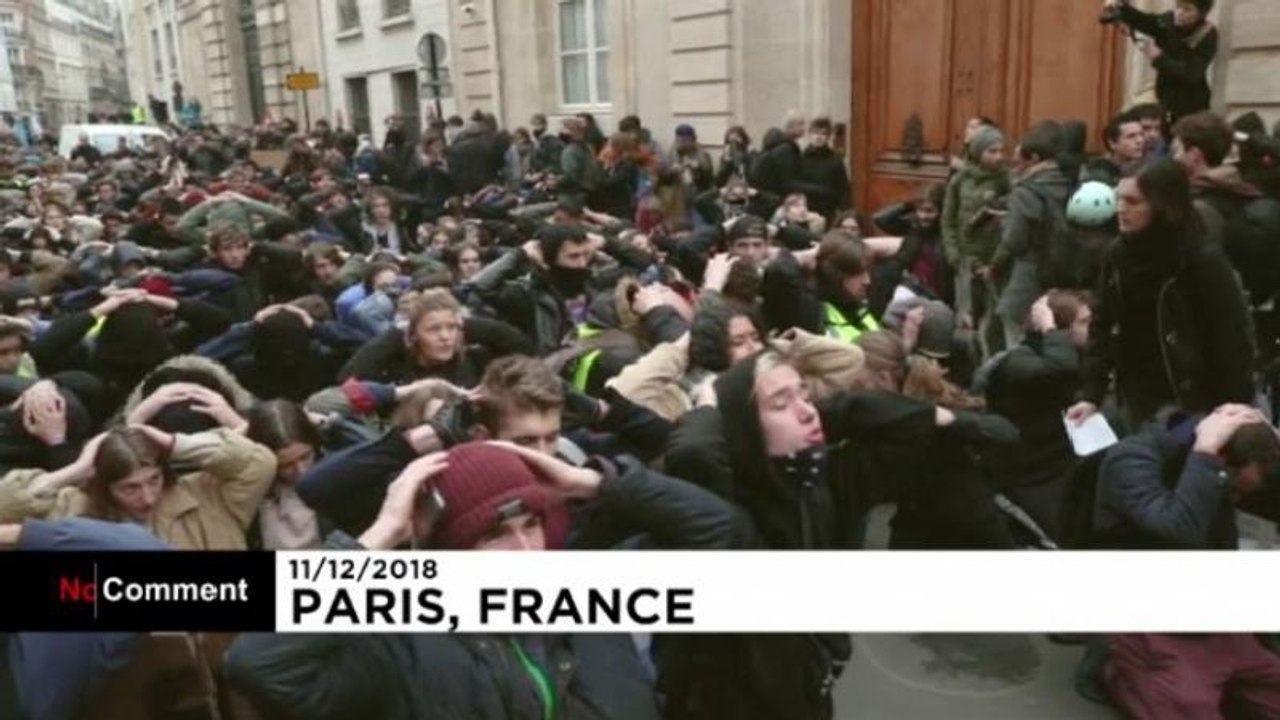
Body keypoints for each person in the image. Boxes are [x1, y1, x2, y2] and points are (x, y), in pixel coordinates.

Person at [225, 440, 736, 720]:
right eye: (495, 536)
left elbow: (726, 539)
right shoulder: (399, 645)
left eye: (531, 524)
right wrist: (377, 539)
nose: (525, 553)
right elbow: (260, 664)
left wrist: (598, 482)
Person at [1070, 159, 1254, 432]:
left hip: (1191, 398)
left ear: (1163, 205)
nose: (1121, 209)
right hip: (1134, 392)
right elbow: (1103, 324)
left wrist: (1231, 408)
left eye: (1134, 202)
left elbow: (1230, 337)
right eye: (1119, 199)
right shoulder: (1118, 253)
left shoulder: (1199, 259)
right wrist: (1091, 394)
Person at [977, 291, 1091, 541]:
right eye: (1083, 322)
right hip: (1029, 474)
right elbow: (1060, 370)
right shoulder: (1017, 364)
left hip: (1060, 460)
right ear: (1061, 329)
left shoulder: (1069, 355)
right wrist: (1050, 327)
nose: (1090, 329)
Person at [1171, 110, 1280, 308]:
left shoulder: (1196, 206)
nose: (1174, 157)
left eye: (1177, 150)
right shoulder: (1251, 191)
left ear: (1194, 155)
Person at [993, 121, 1072, 347]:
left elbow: (1014, 241)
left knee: (1016, 338)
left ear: (1034, 159)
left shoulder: (1025, 192)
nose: (1015, 167)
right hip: (1063, 276)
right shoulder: (1071, 182)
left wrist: (1003, 225)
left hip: (1028, 276)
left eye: (1019, 162)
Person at [942, 123, 1011, 356]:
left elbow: (1012, 220)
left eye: (1001, 151)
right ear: (978, 152)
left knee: (994, 321)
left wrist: (997, 260)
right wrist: (952, 252)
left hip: (994, 263)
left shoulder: (1006, 181)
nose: (998, 156)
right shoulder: (960, 181)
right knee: (966, 315)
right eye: (992, 151)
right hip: (965, 260)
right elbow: (948, 219)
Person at [1103, 0, 1219, 125]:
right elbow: (1146, 22)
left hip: (1190, 103)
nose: (1179, 13)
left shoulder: (1207, 34)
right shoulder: (1168, 21)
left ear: (1201, 14)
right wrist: (1122, 8)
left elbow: (1191, 73)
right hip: (1163, 93)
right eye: (1178, 7)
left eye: (1187, 9)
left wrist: (1159, 57)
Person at [798, 117, 851, 222]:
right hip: (806, 210)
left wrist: (846, 213)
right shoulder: (800, 158)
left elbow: (843, 188)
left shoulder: (835, 160)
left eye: (823, 134)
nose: (819, 137)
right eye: (815, 133)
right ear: (809, 135)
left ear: (828, 137)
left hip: (828, 210)